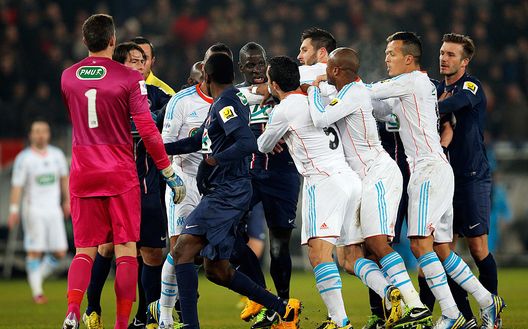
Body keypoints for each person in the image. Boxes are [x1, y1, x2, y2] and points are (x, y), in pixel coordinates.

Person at [368, 31, 504, 329]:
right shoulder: (419, 88)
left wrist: (332, 85)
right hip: (438, 170)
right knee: (442, 249)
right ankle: (485, 302)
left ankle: (452, 314)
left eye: (391, 53)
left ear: (408, 58)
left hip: (433, 172)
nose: (386, 57)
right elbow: (377, 107)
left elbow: (370, 92)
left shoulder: (414, 81)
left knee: (420, 245)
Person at [60, 14, 185, 329]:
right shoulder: (130, 79)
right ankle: (119, 324)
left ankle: (73, 310)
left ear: (85, 41)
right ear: (113, 40)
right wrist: (168, 171)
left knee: (85, 249)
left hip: (82, 169)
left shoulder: (67, 77)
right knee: (127, 249)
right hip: (118, 170)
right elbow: (146, 129)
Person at [259, 55, 402, 329]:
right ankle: (390, 292)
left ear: (274, 84)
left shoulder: (284, 109)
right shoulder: (316, 101)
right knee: (349, 259)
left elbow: (264, 145)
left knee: (318, 255)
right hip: (350, 180)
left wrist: (269, 134)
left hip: (323, 182)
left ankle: (339, 321)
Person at [162, 53, 301, 329]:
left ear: (208, 78)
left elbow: (247, 142)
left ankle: (189, 325)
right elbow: (197, 140)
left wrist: (214, 160)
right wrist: (160, 149)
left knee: (182, 251)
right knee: (217, 270)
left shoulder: (226, 103)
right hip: (227, 191)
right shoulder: (227, 101)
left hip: (227, 192)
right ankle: (283, 309)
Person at [307, 47, 432, 328]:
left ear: (337, 71)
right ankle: (391, 294)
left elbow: (320, 118)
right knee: (348, 257)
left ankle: (416, 306)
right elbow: (334, 99)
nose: (324, 73)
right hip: (358, 180)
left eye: (328, 69)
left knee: (376, 244)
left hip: (377, 174)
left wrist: (313, 90)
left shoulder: (354, 93)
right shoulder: (350, 91)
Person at [81, 41, 171, 329]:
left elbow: (166, 130)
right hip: (114, 185)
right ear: (120, 65)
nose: (139, 65)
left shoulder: (160, 95)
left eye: (142, 59)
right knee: (107, 248)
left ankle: (146, 318)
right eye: (133, 60)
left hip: (147, 188)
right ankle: (92, 309)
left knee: (152, 253)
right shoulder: (107, 96)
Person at [146, 44, 231, 329]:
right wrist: (170, 178)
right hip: (184, 180)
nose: (200, 82)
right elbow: (166, 143)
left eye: (203, 77)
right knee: (179, 248)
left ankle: (169, 309)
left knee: (196, 253)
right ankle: (169, 317)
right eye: (196, 78)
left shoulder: (226, 101)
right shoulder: (181, 101)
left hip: (214, 184)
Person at [437, 33, 505, 329]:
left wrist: (432, 106)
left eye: (451, 54)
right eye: (442, 52)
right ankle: (464, 316)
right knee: (444, 250)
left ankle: (492, 309)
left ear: (465, 62)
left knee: (478, 249)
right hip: (444, 179)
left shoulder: (471, 86)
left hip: (472, 177)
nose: (444, 58)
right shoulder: (436, 90)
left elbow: (455, 105)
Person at [235, 42, 301, 327]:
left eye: (260, 64)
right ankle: (261, 297)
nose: (257, 70)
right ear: (241, 68)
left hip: (281, 175)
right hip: (247, 176)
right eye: (250, 65)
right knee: (229, 232)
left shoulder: (284, 92)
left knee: (278, 246)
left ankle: (283, 310)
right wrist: (256, 142)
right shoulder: (234, 96)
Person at [8, 119, 69, 305]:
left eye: (43, 131)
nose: (40, 134)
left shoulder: (57, 155)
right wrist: (14, 210)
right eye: (36, 131)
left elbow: (64, 178)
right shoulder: (24, 158)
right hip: (34, 210)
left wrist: (67, 201)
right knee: (35, 251)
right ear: (31, 135)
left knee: (60, 252)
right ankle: (37, 292)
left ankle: (36, 276)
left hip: (54, 210)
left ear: (48, 134)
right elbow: (17, 186)